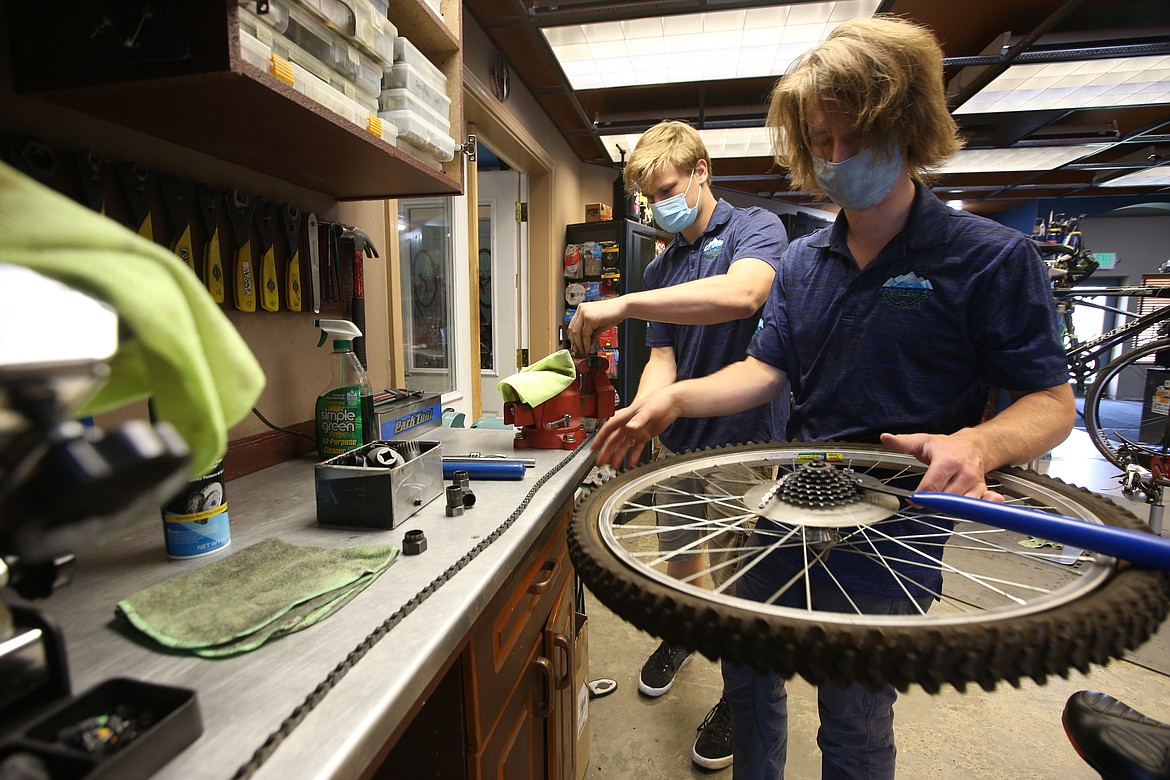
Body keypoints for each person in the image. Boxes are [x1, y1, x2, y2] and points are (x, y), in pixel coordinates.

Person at [591, 16, 1075, 780]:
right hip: (788, 504)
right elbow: (766, 371)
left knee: (852, 719)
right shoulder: (804, 262)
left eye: (859, 136)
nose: (839, 157)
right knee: (751, 684)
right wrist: (676, 399)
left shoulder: (989, 260)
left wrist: (978, 444)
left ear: (909, 129)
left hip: (897, 522)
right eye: (823, 141)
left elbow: (1051, 402)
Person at [569, 119, 789, 771]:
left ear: (701, 172)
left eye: (665, 188)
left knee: (740, 598)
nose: (658, 205)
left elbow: (746, 293)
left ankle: (736, 694)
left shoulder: (755, 231)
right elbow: (663, 355)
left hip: (742, 452)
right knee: (680, 559)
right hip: (681, 445)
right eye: (648, 197)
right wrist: (642, 411)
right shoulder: (664, 263)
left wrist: (625, 304)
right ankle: (683, 634)